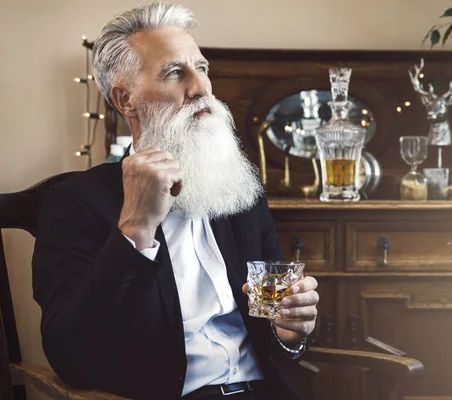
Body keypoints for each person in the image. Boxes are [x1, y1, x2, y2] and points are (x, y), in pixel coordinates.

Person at [31, 2, 319, 399]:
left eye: (201, 68)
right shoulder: (74, 203)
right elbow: (72, 359)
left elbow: (274, 327)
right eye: (174, 73)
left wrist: (288, 333)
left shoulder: (241, 191)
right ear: (125, 100)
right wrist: (135, 230)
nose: (201, 88)